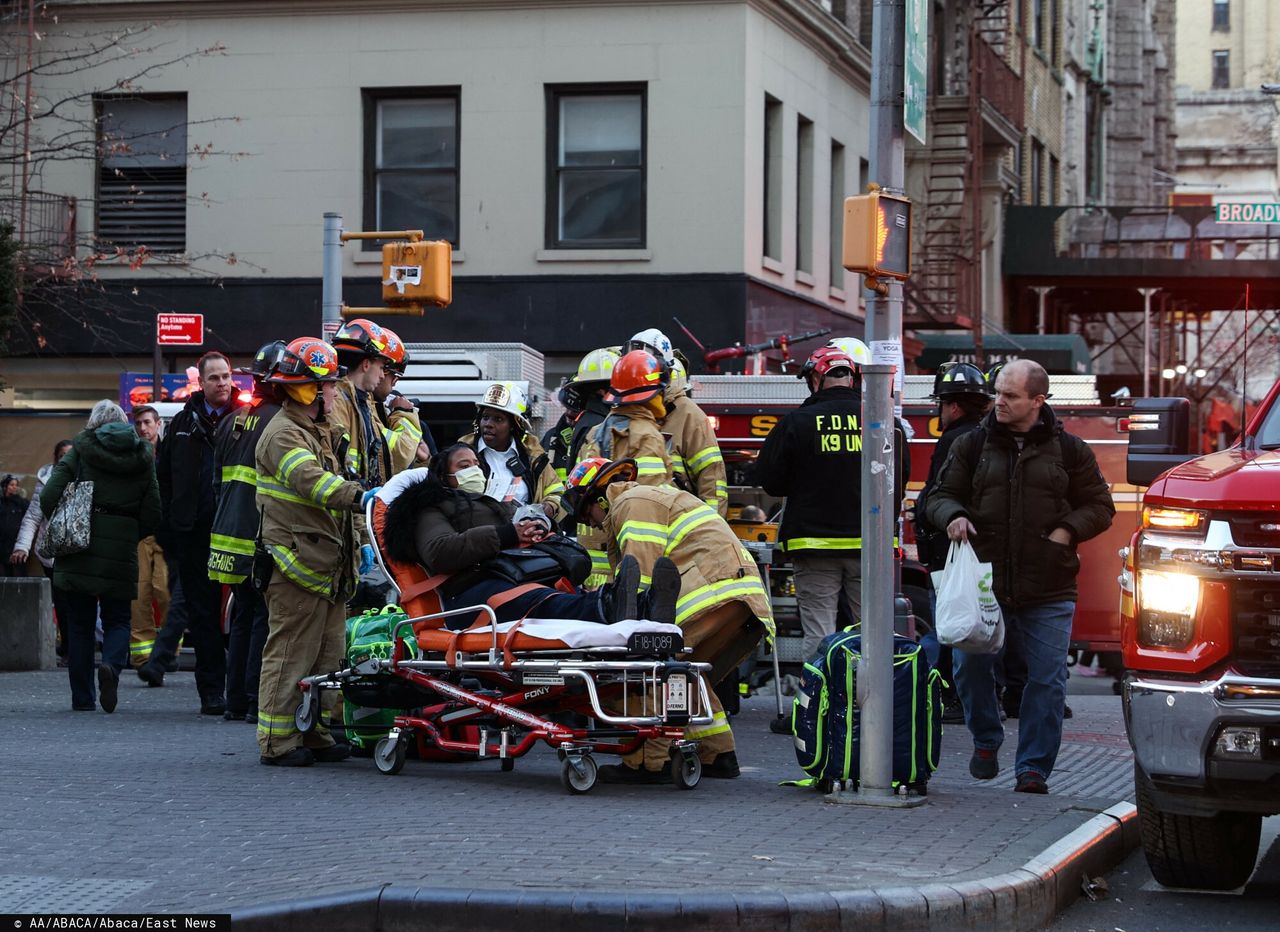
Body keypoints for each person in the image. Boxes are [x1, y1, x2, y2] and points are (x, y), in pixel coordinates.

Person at [924, 359, 1115, 794]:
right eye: (998, 394)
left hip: (1049, 584)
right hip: (984, 584)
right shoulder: (972, 445)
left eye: (1010, 396)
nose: (999, 403)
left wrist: (1067, 531)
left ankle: (1032, 768)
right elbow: (938, 497)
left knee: (1047, 681)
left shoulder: (1071, 451)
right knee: (969, 669)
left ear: (1037, 400)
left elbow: (1100, 507)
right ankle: (987, 739)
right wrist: (951, 515)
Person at [563, 456, 774, 783]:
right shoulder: (652, 498)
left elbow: (639, 576)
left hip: (707, 593)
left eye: (587, 513)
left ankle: (648, 762)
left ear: (600, 498)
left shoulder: (631, 504)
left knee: (644, 667)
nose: (591, 524)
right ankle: (717, 752)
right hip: (737, 599)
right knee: (685, 673)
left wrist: (616, 632)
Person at [382, 443, 664, 627]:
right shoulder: (426, 509)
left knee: (560, 593)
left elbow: (519, 529)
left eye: (475, 464)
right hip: (470, 594)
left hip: (510, 578)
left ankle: (642, 605)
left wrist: (539, 530)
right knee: (543, 602)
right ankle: (612, 606)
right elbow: (441, 552)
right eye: (463, 466)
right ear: (443, 477)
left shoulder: (494, 505)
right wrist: (507, 534)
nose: (474, 470)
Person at [254, 337, 368, 767]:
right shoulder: (282, 435)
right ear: (308, 390)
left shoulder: (323, 430)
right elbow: (313, 482)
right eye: (330, 387)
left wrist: (360, 529)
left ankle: (314, 731)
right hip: (294, 563)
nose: (336, 393)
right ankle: (277, 742)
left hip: (327, 565)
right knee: (290, 654)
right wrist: (362, 498)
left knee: (327, 654)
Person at [40, 400, 160, 713]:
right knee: (118, 620)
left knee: (79, 626)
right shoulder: (143, 455)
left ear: (93, 425)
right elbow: (153, 512)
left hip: (78, 547)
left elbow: (48, 495)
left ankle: (83, 699)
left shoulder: (80, 450)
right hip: (120, 550)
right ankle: (111, 666)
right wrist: (127, 532)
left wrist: (69, 513)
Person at [755, 343, 869, 663]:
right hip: (868, 548)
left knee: (819, 636)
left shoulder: (796, 423)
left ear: (815, 380)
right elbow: (897, 480)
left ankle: (816, 710)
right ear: (853, 380)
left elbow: (771, 481)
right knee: (868, 636)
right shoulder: (880, 422)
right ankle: (869, 710)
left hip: (813, 546)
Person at [152, 351, 244, 714]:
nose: (223, 383)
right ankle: (211, 692)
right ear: (201, 383)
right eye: (215, 378)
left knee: (245, 613)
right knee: (202, 615)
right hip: (194, 534)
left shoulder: (246, 418)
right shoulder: (182, 424)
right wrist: (171, 531)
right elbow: (164, 479)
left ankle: (241, 690)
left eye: (226, 376)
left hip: (237, 529)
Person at [207, 341, 287, 722]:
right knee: (262, 619)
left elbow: (215, 484)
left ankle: (235, 699)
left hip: (227, 533)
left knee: (241, 616)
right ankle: (257, 701)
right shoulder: (280, 422)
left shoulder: (233, 419)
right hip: (259, 532)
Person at [912, 363, 992, 725]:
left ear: (954, 407)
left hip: (951, 551)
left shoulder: (955, 439)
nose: (939, 411)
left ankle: (953, 696)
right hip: (972, 550)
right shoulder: (986, 435)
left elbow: (938, 493)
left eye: (941, 404)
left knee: (952, 625)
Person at [459, 382, 563, 519]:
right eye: (485, 417)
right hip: (477, 536)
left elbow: (557, 492)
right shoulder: (461, 453)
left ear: (514, 425)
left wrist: (548, 508)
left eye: (498, 419)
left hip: (524, 535)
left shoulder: (532, 456)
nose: (489, 424)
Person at [11, 439, 74, 661]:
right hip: (53, 555)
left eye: (70, 454)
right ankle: (69, 648)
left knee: (77, 603)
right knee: (64, 603)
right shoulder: (45, 481)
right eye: (62, 455)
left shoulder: (85, 479)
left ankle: (75, 647)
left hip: (78, 553)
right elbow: (33, 517)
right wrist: (22, 547)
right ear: (55, 459)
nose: (66, 458)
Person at [126, 405, 170, 675]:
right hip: (139, 533)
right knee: (138, 596)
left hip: (165, 532)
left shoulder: (170, 452)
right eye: (139, 424)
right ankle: (142, 657)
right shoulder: (131, 457)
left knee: (165, 591)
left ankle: (166, 652)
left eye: (147, 423)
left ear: (157, 424)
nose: (143, 428)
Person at [660, 358, 727, 516]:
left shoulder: (689, 415)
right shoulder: (640, 415)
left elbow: (711, 476)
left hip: (681, 519)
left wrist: (712, 527)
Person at [370, 327, 427, 476]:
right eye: (394, 376)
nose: (394, 383)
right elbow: (399, 457)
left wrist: (424, 458)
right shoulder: (359, 407)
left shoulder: (373, 406)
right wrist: (404, 414)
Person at [0, 475, 29, 577]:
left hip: (17, 544)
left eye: (16, 485)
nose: (14, 487)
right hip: (3, 545)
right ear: (5, 486)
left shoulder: (21, 502)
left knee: (20, 572)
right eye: (11, 485)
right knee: (5, 573)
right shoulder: (1, 502)